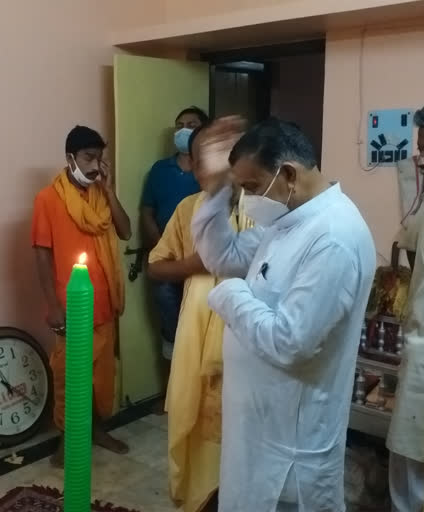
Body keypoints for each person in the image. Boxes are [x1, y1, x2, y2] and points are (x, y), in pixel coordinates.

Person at [193, 117, 376, 511]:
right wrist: (216, 190)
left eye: (252, 187)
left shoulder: (333, 237)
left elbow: (290, 342)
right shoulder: (286, 219)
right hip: (257, 431)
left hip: (290, 451)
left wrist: (231, 294)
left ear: (288, 174)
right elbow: (223, 257)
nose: (248, 200)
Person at [148, 125, 254, 511]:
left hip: (245, 332)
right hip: (196, 325)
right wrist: (194, 264)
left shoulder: (262, 205)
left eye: (225, 155)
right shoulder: (188, 209)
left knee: (239, 437)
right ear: (194, 166)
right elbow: (156, 267)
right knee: (195, 425)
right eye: (204, 160)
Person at [31, 125, 132, 467]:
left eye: (99, 159)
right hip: (70, 305)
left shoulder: (100, 194)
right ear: (70, 158)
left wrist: (110, 189)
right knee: (70, 375)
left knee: (102, 376)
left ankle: (97, 430)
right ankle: (67, 438)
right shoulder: (48, 198)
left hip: (104, 303)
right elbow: (41, 252)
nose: (94, 165)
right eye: (89, 158)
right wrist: (52, 305)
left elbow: (125, 230)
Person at [387, 97, 424, 511]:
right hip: (421, 349)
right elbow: (411, 261)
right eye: (422, 149)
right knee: (408, 455)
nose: (423, 159)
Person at [141, 106, 209, 402]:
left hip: (205, 267)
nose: (183, 130)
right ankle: (173, 394)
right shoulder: (160, 170)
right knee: (171, 319)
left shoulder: (213, 181)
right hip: (170, 258)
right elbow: (147, 212)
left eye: (191, 125)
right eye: (179, 125)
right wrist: (163, 247)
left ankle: (198, 393)